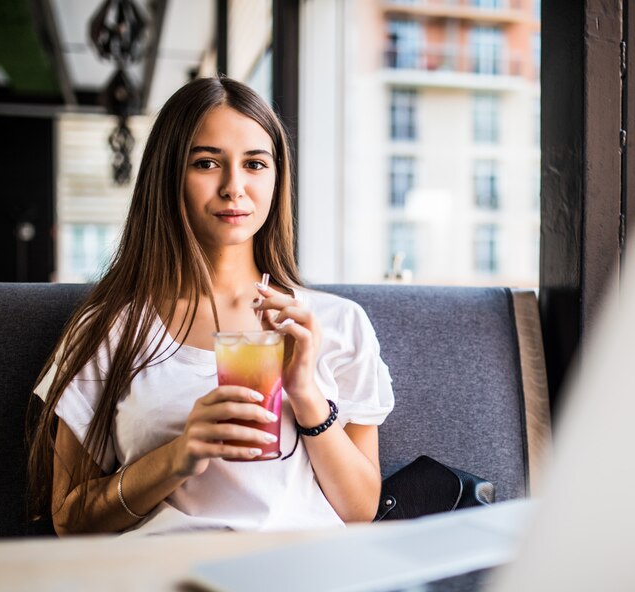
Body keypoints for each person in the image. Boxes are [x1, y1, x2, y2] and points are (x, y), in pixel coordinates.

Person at [28, 76, 394, 536]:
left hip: (300, 572)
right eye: (206, 163)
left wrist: (305, 393)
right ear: (168, 177)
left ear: (277, 178)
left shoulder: (338, 322)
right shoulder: (110, 328)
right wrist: (179, 456)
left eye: (255, 164)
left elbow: (360, 510)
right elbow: (72, 520)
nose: (233, 187)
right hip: (165, 578)